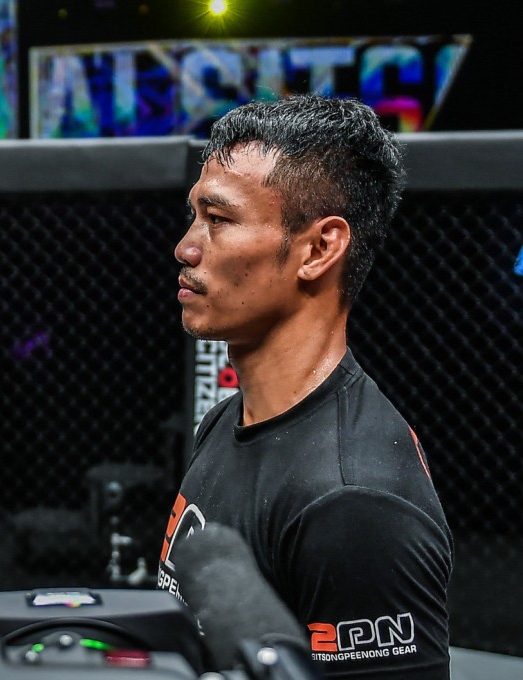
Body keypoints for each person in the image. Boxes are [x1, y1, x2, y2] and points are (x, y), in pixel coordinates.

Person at [157, 95, 453, 679]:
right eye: (194, 216)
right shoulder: (229, 419)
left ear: (318, 249)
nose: (186, 248)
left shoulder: (352, 501)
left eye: (219, 219)